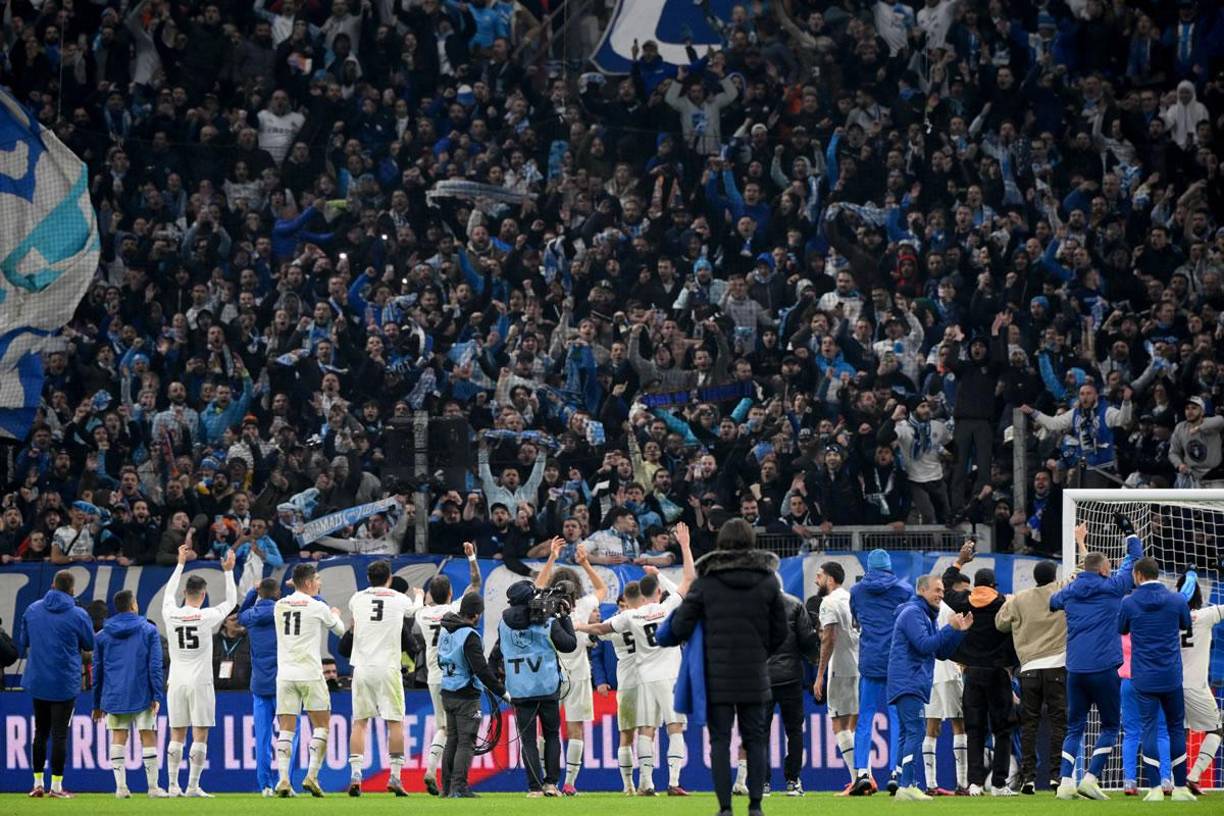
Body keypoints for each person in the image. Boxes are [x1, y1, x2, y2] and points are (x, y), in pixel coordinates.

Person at [652, 519, 787, 816]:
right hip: (755, 673)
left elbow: (679, 625)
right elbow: (781, 632)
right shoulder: (768, 582)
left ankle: (725, 808)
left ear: (721, 543)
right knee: (755, 740)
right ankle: (755, 806)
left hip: (716, 676)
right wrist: (760, 652)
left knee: (720, 741)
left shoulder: (706, 583)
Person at [580, 525, 696, 796]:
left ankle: (646, 782)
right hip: (669, 675)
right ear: (658, 593)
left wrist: (579, 627)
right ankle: (674, 782)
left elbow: (600, 629)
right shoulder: (666, 608)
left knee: (646, 729)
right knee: (674, 726)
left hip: (643, 678)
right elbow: (688, 581)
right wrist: (685, 545)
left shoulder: (630, 617)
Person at [1050, 515, 1144, 800]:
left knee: (1075, 725)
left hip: (1076, 668)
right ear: (1105, 570)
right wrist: (1129, 533)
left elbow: (1053, 602)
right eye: (1109, 566)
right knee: (1111, 725)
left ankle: (1065, 782)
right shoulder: (1114, 586)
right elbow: (1136, 557)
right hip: (1103, 667)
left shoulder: (1070, 590)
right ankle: (1090, 778)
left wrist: (1073, 575)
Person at [161, 537, 237, 797]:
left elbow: (167, 593)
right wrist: (228, 572)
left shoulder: (170, 612)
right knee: (200, 732)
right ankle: (192, 786)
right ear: (203, 595)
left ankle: (172, 785)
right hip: (201, 680)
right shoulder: (207, 616)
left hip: (176, 679)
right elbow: (230, 603)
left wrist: (180, 563)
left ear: (185, 593)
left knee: (176, 732)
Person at [942, 542, 1019, 796]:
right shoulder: (1004, 605)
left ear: (976, 586)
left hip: (972, 673)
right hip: (999, 673)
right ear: (994, 586)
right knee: (1003, 730)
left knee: (974, 729)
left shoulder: (965, 602)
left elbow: (946, 584)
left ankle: (974, 783)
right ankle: (998, 783)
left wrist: (960, 561)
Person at [996, 557, 1079, 795]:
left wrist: (1009, 603)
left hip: (1030, 669)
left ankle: (1028, 778)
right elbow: (1084, 571)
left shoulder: (1021, 598)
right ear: (1054, 576)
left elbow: (1000, 624)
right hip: (1057, 666)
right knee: (1058, 723)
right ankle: (1056, 776)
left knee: (1029, 724)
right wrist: (1081, 544)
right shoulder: (1063, 590)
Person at [887, 575, 972, 801]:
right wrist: (949, 628)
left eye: (942, 591)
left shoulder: (926, 614)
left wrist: (958, 631)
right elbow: (925, 646)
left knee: (908, 733)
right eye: (937, 590)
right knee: (915, 731)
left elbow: (941, 653)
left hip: (913, 681)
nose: (941, 595)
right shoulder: (913, 613)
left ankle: (907, 784)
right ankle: (906, 785)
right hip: (908, 681)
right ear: (922, 590)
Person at [534, 539, 608, 795]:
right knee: (575, 728)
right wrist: (585, 563)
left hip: (550, 675)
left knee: (548, 728)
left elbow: (536, 587)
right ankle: (570, 782)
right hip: (578, 675)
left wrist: (552, 558)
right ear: (575, 589)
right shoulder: (585, 606)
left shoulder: (546, 609)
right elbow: (602, 589)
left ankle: (547, 779)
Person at [1118, 557, 1194, 801]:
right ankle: (1178, 786)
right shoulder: (1177, 599)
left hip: (1142, 677)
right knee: (1173, 729)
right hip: (1171, 675)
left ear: (1138, 575)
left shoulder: (1129, 602)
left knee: (1146, 729)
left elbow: (1122, 629)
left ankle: (1153, 789)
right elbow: (1186, 626)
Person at [346, 559, 423, 796]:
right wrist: (419, 595)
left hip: (362, 667)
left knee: (360, 721)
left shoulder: (356, 599)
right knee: (395, 722)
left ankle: (356, 775)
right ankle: (396, 777)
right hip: (388, 667)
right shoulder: (399, 599)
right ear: (389, 577)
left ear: (368, 578)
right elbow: (414, 610)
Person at [495, 577, 578, 796]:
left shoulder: (503, 623)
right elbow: (569, 645)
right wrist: (563, 616)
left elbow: (497, 653)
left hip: (519, 689)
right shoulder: (546, 620)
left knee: (528, 740)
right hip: (547, 685)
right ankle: (551, 784)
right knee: (551, 735)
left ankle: (534, 788)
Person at [18, 570, 94, 798]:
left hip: (39, 680)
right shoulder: (78, 614)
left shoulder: (32, 609)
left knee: (40, 733)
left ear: (52, 584)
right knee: (60, 735)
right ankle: (57, 787)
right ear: (72, 589)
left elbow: (24, 641)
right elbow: (89, 643)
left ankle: (37, 784)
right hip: (64, 683)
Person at [414, 541, 482, 795]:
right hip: (455, 676)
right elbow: (475, 584)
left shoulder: (422, 614)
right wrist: (472, 557)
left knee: (443, 726)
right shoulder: (454, 610)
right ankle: (433, 771)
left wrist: (419, 597)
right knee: (452, 731)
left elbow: (419, 608)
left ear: (432, 594)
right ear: (451, 593)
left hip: (433, 675)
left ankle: (437, 774)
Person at [273, 563, 346, 797]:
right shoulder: (318, 607)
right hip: (310, 673)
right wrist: (334, 614)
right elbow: (341, 630)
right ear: (308, 583)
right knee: (322, 725)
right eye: (317, 579)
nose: (319, 583)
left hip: (285, 675)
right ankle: (312, 775)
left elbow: (297, 599)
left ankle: (283, 779)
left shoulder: (279, 605)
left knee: (286, 729)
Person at [849, 548, 913, 794]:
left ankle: (863, 773)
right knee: (898, 719)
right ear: (888, 567)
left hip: (870, 661)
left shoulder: (856, 591)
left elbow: (857, 619)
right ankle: (896, 772)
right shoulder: (904, 590)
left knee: (865, 718)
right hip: (896, 662)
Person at [93, 589, 167, 798]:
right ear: (133, 605)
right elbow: (155, 665)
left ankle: (121, 788)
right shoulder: (149, 631)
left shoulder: (102, 636)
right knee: (147, 735)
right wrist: (156, 695)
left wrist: (97, 703)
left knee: (118, 737)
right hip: (142, 691)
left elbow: (96, 671)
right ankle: (152, 788)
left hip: (114, 694)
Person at [437, 593, 506, 798]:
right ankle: (459, 787)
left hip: (447, 690)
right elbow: (481, 669)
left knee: (452, 740)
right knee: (466, 742)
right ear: (476, 614)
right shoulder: (470, 635)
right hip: (466, 694)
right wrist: (502, 691)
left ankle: (447, 788)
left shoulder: (446, 631)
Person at [239, 577, 297, 796]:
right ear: (278, 594)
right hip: (285, 682)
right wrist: (295, 589)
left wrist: (252, 593)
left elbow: (241, 612)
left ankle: (265, 786)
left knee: (262, 738)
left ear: (260, 593)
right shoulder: (284, 611)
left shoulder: (250, 617)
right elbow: (309, 606)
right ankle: (286, 781)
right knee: (290, 734)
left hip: (260, 684)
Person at [763, 588, 821, 795]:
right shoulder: (795, 604)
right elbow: (806, 640)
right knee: (794, 730)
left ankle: (763, 783)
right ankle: (793, 781)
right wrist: (815, 659)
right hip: (790, 677)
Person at [812, 561, 862, 796]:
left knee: (838, 724)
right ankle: (864, 776)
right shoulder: (852, 599)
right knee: (854, 724)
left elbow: (828, 638)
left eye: (819, 576)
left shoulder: (829, 602)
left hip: (839, 667)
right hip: (859, 666)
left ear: (830, 579)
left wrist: (820, 674)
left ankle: (857, 779)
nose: (816, 580)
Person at [1176, 570, 1224, 795]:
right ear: (1198, 593)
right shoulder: (1206, 615)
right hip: (1195, 685)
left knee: (1177, 732)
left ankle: (1170, 780)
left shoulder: (1169, 617)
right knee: (1216, 729)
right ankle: (1193, 777)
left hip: (1172, 685)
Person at [924, 569, 969, 797]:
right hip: (949, 672)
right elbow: (958, 639)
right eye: (938, 590)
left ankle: (931, 785)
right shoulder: (949, 611)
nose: (941, 594)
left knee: (931, 728)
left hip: (929, 673)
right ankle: (962, 784)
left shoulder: (918, 611)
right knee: (958, 725)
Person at [610, 581, 645, 794]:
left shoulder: (614, 622)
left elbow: (595, 633)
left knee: (627, 734)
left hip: (627, 683)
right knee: (645, 733)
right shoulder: (648, 618)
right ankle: (642, 783)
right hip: (646, 681)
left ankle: (629, 785)